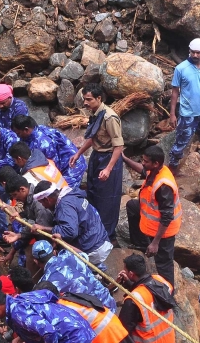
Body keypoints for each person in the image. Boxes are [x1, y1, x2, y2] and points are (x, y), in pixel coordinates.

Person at [70, 83, 124, 243]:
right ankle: (94, 229)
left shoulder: (110, 117)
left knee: (107, 198)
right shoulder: (95, 114)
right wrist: (78, 153)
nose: (85, 103)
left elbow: (119, 146)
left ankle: (107, 235)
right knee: (93, 193)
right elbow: (93, 137)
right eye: (84, 99)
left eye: (89, 100)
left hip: (109, 158)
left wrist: (108, 169)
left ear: (99, 98)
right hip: (97, 156)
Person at [123, 145, 182, 286]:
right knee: (132, 206)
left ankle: (167, 293)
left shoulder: (163, 186)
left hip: (165, 231)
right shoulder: (155, 169)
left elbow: (167, 216)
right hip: (149, 213)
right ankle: (141, 244)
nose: (143, 163)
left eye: (146, 161)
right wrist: (125, 159)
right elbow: (142, 170)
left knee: (164, 263)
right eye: (143, 160)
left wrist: (155, 243)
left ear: (156, 163)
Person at [167, 38, 200, 170]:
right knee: (180, 143)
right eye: (193, 52)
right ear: (189, 51)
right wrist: (172, 114)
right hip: (187, 114)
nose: (195, 55)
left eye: (198, 53)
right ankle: (171, 171)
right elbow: (175, 92)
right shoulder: (181, 69)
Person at [32, 180, 112, 268]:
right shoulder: (71, 194)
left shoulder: (64, 206)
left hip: (93, 248)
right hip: (101, 239)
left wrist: (43, 228)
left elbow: (69, 231)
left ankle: (94, 269)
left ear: (47, 199)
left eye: (42, 202)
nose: (43, 206)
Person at [29, 240, 116, 311]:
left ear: (36, 261)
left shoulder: (45, 284)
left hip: (95, 317)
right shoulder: (68, 254)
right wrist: (62, 241)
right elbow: (85, 256)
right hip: (108, 303)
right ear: (54, 252)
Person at [10, 115, 86, 188]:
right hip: (61, 163)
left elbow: (53, 168)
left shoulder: (44, 143)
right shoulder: (34, 131)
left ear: (26, 129)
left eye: (18, 133)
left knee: (63, 193)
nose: (18, 136)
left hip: (71, 165)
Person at [1, 174, 53, 265]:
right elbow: (31, 223)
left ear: (22, 189)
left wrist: (19, 235)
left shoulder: (38, 204)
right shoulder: (28, 199)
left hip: (48, 241)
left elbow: (39, 229)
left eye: (15, 195)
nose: (15, 199)